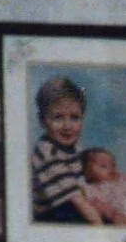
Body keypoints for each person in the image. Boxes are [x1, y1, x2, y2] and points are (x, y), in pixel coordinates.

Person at [30, 75, 94, 225]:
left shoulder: (74, 146)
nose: (67, 126)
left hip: (74, 202)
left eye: (74, 118)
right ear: (42, 120)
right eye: (58, 118)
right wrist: (100, 226)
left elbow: (81, 184)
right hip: (50, 214)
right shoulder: (46, 152)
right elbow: (75, 198)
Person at [78, 146, 126, 228]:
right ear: (86, 171)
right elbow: (96, 204)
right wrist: (111, 213)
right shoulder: (92, 188)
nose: (111, 169)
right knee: (115, 216)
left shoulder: (124, 178)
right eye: (103, 166)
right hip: (123, 212)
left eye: (113, 165)